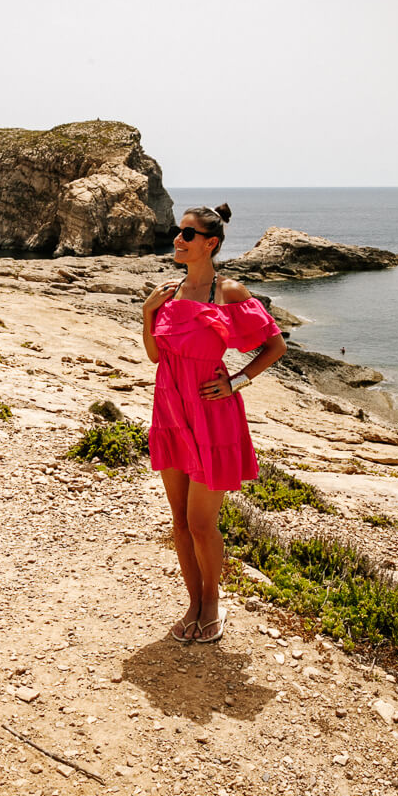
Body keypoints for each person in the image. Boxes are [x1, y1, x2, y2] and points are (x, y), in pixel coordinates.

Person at [142, 204, 286, 644]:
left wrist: (237, 381)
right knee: (180, 523)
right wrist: (147, 314)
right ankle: (191, 603)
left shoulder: (229, 292)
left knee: (202, 523)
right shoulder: (170, 292)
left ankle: (211, 602)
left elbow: (274, 346)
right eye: (176, 231)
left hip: (211, 413)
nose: (177, 240)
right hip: (170, 410)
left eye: (187, 234)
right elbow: (154, 355)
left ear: (211, 243)